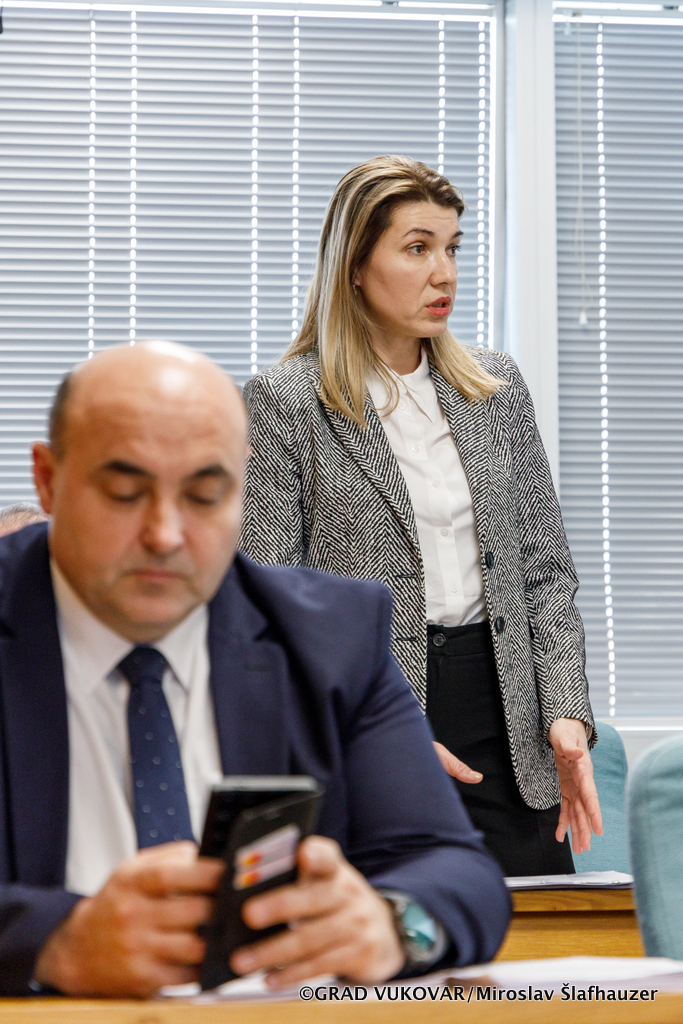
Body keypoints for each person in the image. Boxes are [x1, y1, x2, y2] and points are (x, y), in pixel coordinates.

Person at [0, 340, 510, 998]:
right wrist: (53, 942)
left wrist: (387, 923)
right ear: (48, 480)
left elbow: (455, 871)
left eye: (205, 496)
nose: (164, 535)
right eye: (124, 493)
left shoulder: (329, 638)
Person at [240, 155, 602, 877]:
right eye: (417, 248)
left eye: (451, 248)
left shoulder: (495, 390)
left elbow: (544, 571)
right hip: (373, 707)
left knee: (536, 933)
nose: (444, 274)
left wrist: (565, 712)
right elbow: (269, 606)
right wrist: (374, 730)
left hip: (508, 718)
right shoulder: (285, 401)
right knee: (393, 933)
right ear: (353, 265)